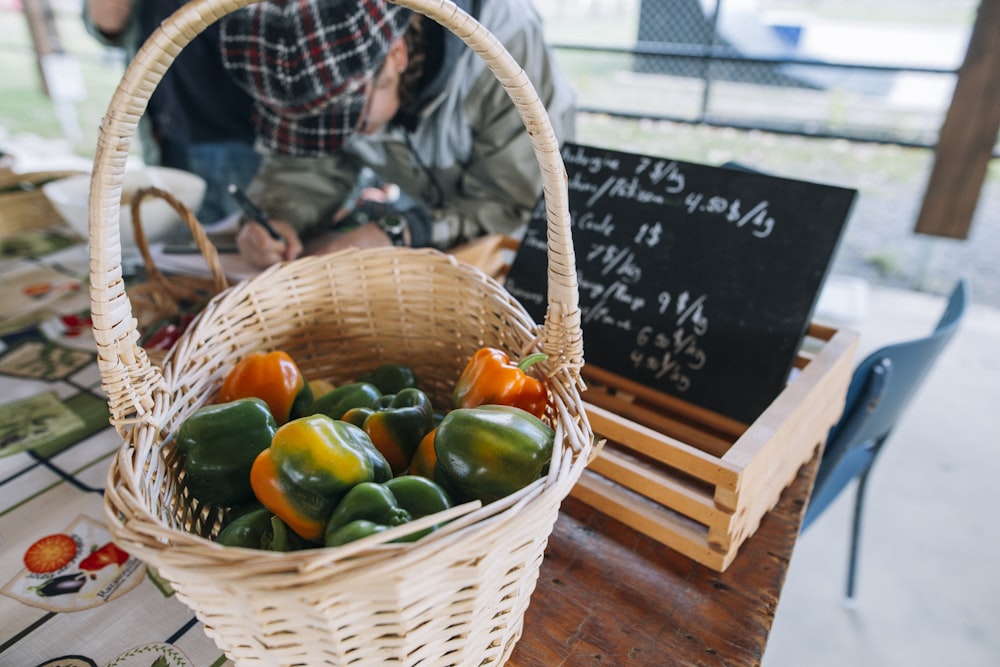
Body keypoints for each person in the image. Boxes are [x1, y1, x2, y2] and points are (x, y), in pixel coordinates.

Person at [219, 0, 577, 268]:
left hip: (529, 264)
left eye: (348, 123)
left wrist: (400, 232)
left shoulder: (505, 47)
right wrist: (278, 219)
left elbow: (517, 209)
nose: (335, 139)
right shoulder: (342, 68)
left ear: (397, 55)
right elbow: (304, 168)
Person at [83, 0, 261, 223]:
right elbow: (110, 23)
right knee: (183, 246)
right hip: (167, 137)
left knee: (259, 240)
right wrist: (104, 23)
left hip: (244, 136)